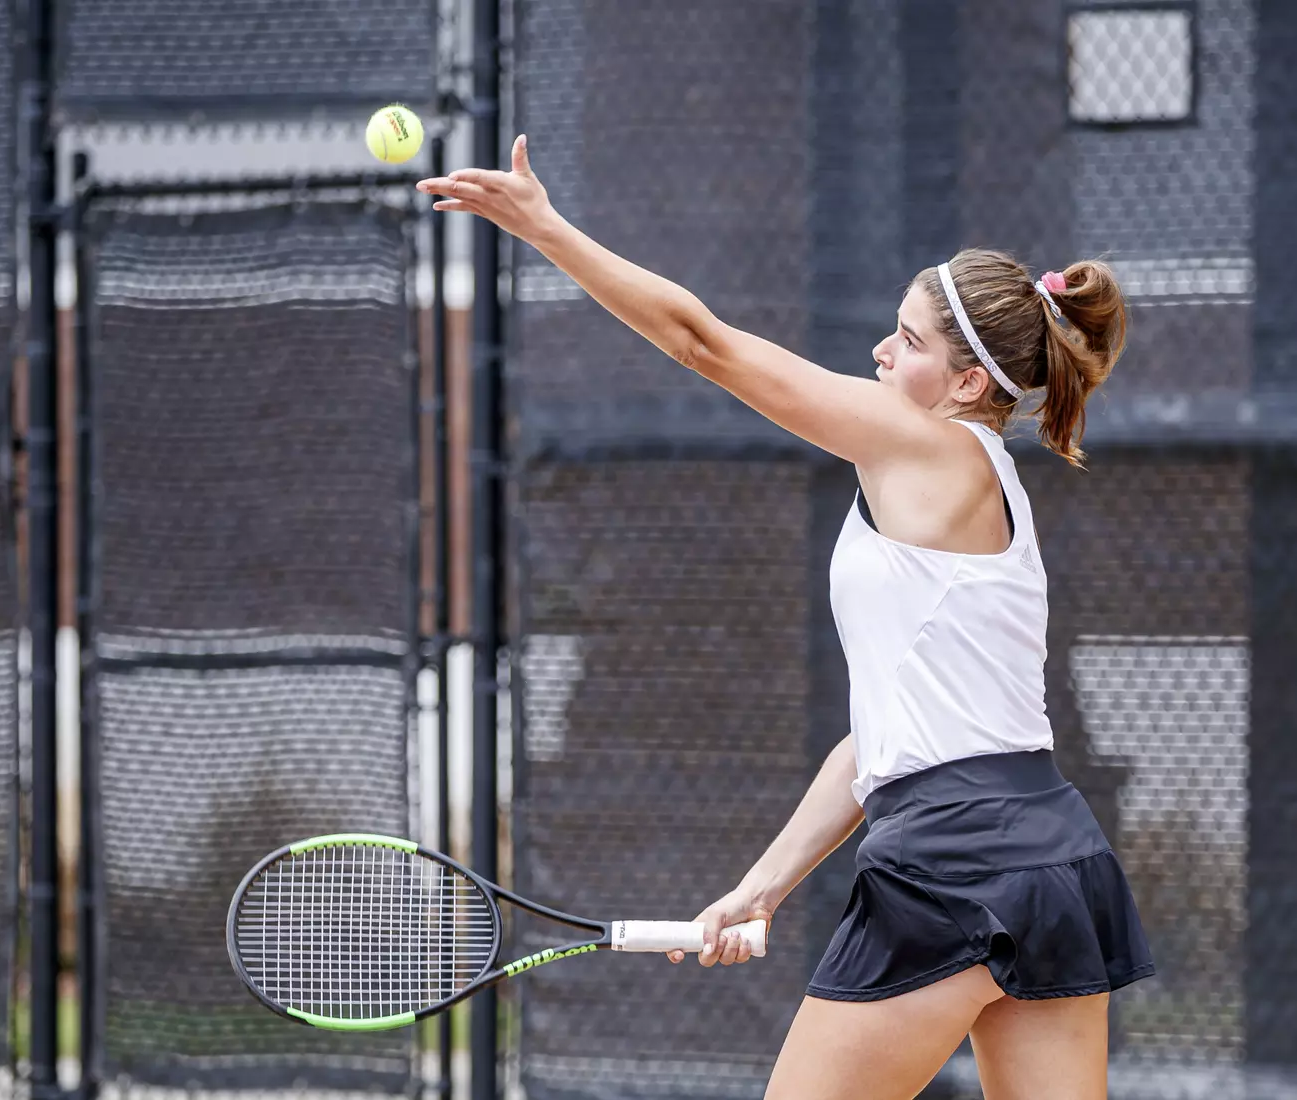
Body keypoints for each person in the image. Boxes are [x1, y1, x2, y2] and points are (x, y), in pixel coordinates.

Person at [419, 136, 1153, 1100]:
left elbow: (702, 343)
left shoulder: (925, 449)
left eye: (910, 341)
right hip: (1050, 849)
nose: (883, 353)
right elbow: (882, 744)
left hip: (953, 856)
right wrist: (762, 884)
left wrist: (544, 228)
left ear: (968, 385)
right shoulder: (982, 486)